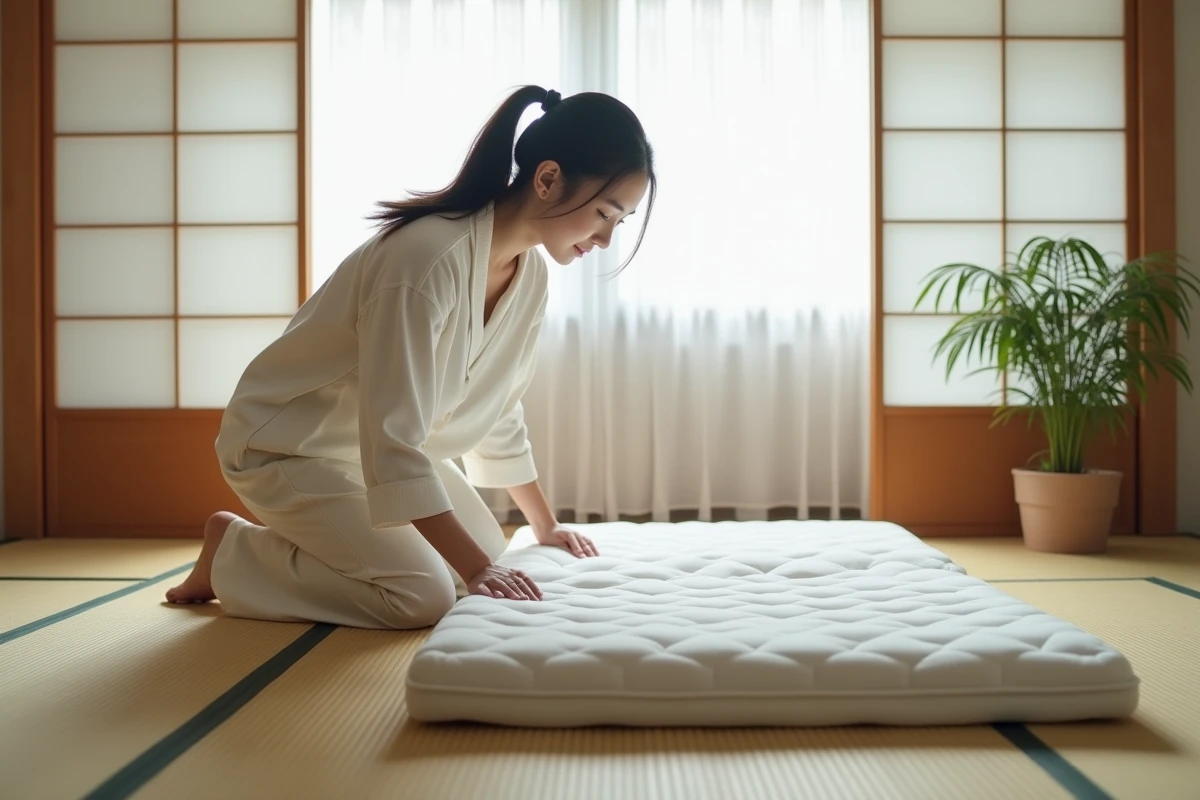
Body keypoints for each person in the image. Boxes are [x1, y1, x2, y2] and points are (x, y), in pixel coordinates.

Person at [164, 86, 656, 630]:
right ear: (546, 180)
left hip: (369, 452)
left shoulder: (530, 273)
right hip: (291, 448)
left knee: (483, 552)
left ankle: (319, 543)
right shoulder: (423, 260)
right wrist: (475, 572)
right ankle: (233, 552)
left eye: (621, 221)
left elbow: (498, 404)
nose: (607, 239)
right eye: (605, 214)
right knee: (423, 597)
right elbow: (392, 436)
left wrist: (543, 525)